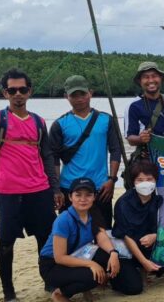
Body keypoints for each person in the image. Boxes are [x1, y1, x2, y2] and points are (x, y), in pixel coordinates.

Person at [0, 69, 59, 302]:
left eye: (22, 89)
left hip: (39, 189)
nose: (18, 94)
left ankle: (49, 282)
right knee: (6, 242)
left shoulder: (38, 122)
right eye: (12, 90)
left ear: (30, 92)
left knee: (46, 238)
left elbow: (47, 156)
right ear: (5, 93)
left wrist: (55, 188)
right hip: (8, 191)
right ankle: (8, 292)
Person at [40, 178, 143, 302]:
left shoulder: (91, 215)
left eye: (88, 195)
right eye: (78, 195)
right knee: (93, 276)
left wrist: (113, 253)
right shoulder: (63, 220)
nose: (83, 199)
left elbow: (101, 237)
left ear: (94, 197)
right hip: (53, 265)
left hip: (78, 255)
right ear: (70, 197)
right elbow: (60, 258)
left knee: (111, 262)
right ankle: (60, 292)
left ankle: (111, 281)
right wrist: (91, 264)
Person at [49, 75, 123, 231]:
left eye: (82, 94)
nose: (79, 99)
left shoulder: (106, 119)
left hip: (101, 187)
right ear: (66, 96)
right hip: (69, 187)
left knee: (103, 231)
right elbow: (53, 159)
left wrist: (112, 179)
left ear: (90, 93)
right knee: (71, 232)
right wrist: (56, 189)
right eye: (74, 95)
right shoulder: (59, 124)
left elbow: (116, 150)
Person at [112, 161, 164, 284]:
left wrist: (156, 236)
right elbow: (126, 236)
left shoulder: (159, 199)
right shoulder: (123, 203)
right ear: (133, 182)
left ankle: (145, 269)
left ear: (156, 180)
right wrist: (144, 262)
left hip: (149, 243)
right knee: (133, 287)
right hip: (127, 248)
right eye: (140, 180)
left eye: (149, 179)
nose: (145, 183)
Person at [126, 61, 164, 147]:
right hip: (148, 153)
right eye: (146, 77)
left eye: (154, 76)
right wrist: (140, 139)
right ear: (140, 81)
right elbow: (130, 139)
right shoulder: (134, 106)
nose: (151, 80)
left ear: (160, 78)